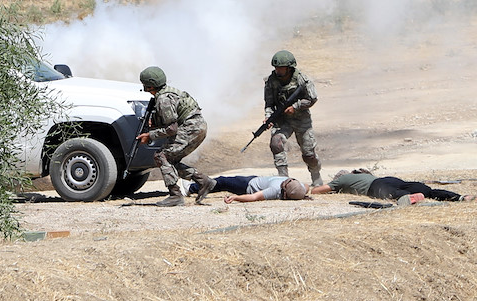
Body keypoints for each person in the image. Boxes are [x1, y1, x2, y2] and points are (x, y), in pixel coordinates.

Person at [136, 66, 215, 207]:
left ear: (149, 85)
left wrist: (150, 135)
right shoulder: (169, 92)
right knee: (171, 160)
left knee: (161, 156)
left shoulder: (163, 98)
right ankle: (203, 181)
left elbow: (172, 129)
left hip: (191, 128)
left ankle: (175, 195)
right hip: (197, 127)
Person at [263, 50, 323, 186]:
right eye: (276, 67)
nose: (278, 70)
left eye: (281, 68)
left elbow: (312, 98)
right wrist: (268, 118)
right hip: (282, 120)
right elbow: (269, 103)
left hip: (302, 120)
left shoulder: (301, 79)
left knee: (309, 155)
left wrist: (295, 107)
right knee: (276, 143)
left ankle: (316, 175)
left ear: (289, 68)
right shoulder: (271, 81)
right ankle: (283, 180)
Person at [310, 169, 475, 205]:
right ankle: (460, 197)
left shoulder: (342, 179)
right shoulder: (363, 174)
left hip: (376, 186)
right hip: (390, 179)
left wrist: (310, 190)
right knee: (428, 190)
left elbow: (321, 190)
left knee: (394, 194)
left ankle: (408, 198)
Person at [185, 175, 309, 203]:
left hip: (251, 184)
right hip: (252, 182)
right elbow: (306, 187)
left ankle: (190, 188)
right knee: (222, 182)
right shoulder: (277, 189)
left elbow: (254, 197)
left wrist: (235, 197)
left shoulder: (277, 189)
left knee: (222, 182)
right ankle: (192, 187)